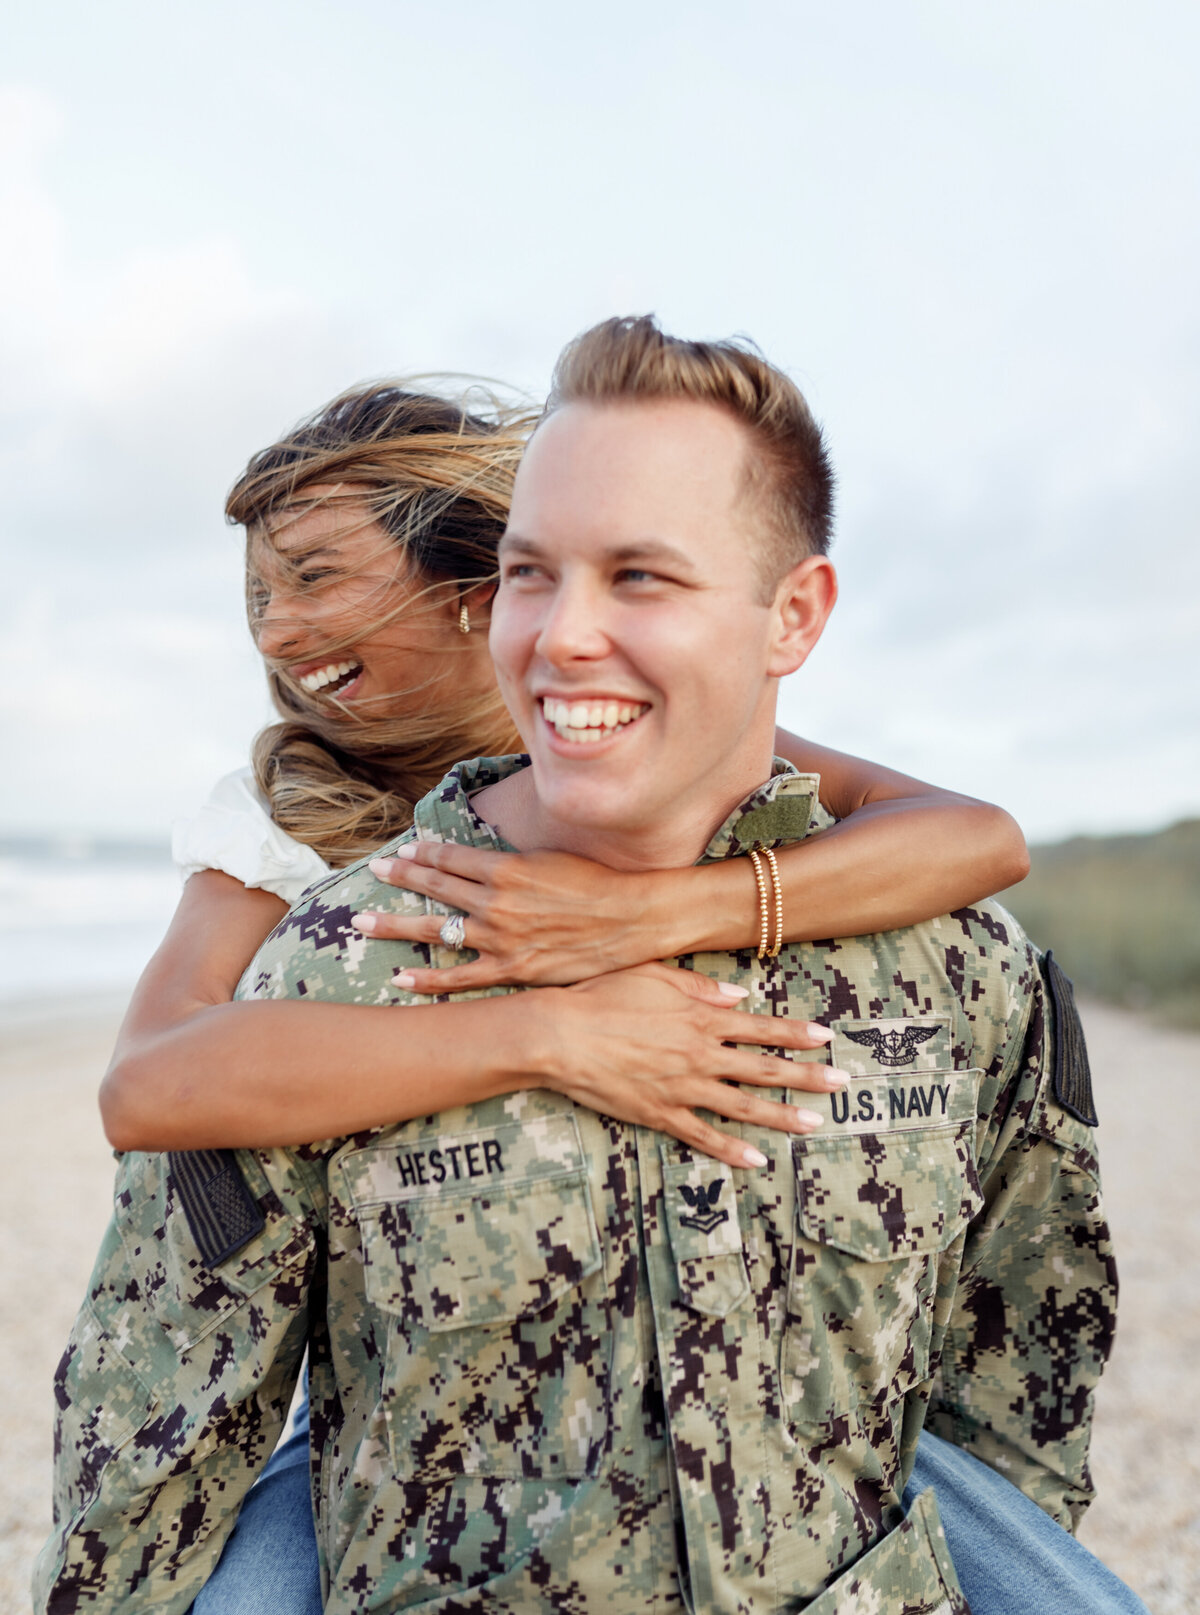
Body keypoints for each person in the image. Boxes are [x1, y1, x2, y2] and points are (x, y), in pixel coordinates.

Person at [36, 327, 1135, 1612]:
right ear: (499, 591)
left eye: (317, 578)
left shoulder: (661, 721)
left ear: (452, 591)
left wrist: (655, 914)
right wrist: (550, 1029)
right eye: (536, 579)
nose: (280, 631)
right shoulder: (289, 837)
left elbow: (975, 838)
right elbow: (158, 1083)